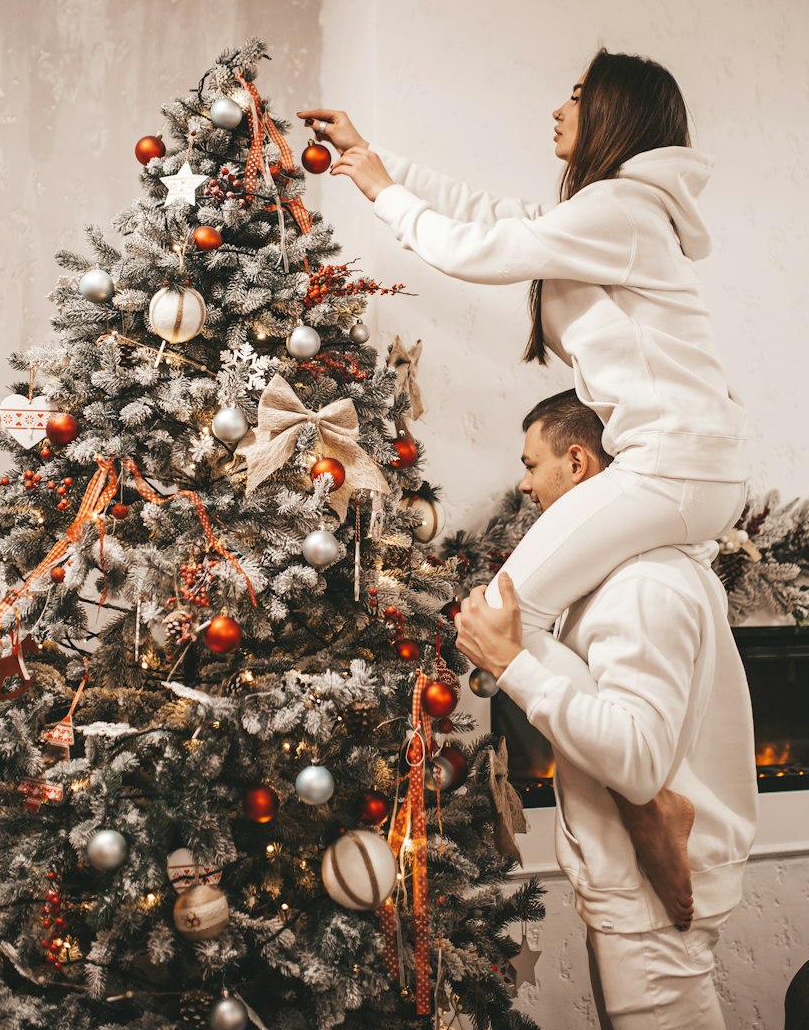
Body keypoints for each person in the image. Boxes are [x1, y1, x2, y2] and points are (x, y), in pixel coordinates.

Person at [298, 49, 748, 636]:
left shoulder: (621, 210)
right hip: (686, 467)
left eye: (579, 96)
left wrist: (382, 190)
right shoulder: (609, 210)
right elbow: (485, 216)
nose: (559, 109)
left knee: (502, 619)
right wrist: (371, 158)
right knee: (538, 619)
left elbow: (474, 249)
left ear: (616, 112)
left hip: (674, 467)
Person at [454, 391, 758, 1030]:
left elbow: (637, 755)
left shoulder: (642, 584)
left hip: (648, 901)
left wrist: (511, 662)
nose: (524, 482)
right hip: (629, 883)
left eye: (532, 464)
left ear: (578, 460)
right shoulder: (612, 579)